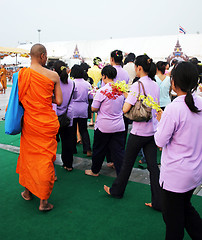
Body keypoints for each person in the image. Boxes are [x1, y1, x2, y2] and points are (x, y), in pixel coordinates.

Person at [104, 55, 162, 211]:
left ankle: (117, 191)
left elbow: (126, 109)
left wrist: (125, 96)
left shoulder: (137, 85)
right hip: (152, 131)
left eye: (136, 67)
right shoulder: (155, 85)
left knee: (126, 164)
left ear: (140, 68)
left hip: (138, 132)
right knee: (153, 168)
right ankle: (159, 201)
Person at [155, 62, 202, 240]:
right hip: (195, 172)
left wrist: (161, 120)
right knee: (185, 209)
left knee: (173, 221)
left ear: (173, 82)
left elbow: (160, 141)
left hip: (176, 176)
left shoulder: (174, 108)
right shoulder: (199, 102)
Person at [17, 44, 63, 211]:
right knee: (44, 160)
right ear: (43, 56)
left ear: (31, 56)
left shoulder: (22, 74)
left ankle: (27, 192)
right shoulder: (53, 75)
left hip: (30, 122)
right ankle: (43, 202)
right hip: (47, 123)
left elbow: (20, 100)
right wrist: (45, 98)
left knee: (29, 158)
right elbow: (59, 101)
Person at [85, 65, 125, 176]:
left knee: (98, 150)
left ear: (104, 76)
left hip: (104, 126)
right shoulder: (121, 90)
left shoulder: (102, 91)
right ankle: (121, 173)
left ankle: (95, 171)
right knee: (119, 151)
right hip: (119, 125)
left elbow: (94, 108)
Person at [53, 60, 76, 172]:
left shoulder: (53, 83)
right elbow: (73, 99)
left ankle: (51, 169)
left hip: (54, 116)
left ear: (54, 70)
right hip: (68, 115)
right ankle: (68, 164)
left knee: (52, 143)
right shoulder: (72, 83)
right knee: (68, 142)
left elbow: (54, 101)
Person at [71, 64, 93, 157]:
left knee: (72, 130)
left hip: (73, 108)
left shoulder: (71, 83)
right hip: (83, 107)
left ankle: (73, 149)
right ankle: (87, 149)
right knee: (83, 129)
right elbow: (91, 97)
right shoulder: (87, 84)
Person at [87, 58, 102, 127]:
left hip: (90, 89)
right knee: (97, 105)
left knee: (91, 105)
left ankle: (91, 121)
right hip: (98, 89)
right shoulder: (100, 71)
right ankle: (96, 121)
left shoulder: (89, 70)